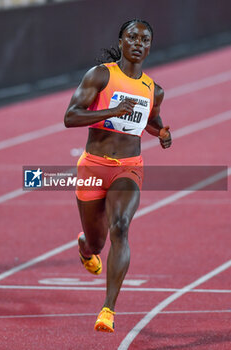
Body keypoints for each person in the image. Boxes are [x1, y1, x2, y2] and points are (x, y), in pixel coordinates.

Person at [64, 19, 172, 333]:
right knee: (97, 243)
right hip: (93, 166)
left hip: (128, 167)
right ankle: (85, 246)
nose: (139, 43)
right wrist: (111, 111)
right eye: (133, 37)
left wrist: (161, 132)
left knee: (121, 228)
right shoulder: (100, 75)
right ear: (121, 41)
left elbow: (150, 120)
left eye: (145, 39)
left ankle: (107, 309)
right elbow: (71, 116)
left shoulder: (154, 89)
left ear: (150, 46)